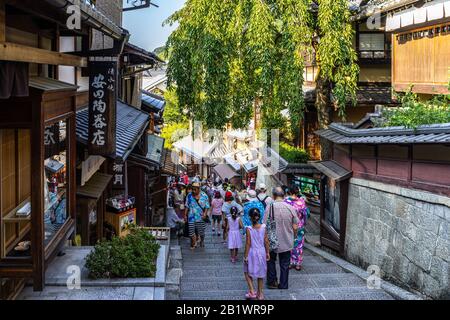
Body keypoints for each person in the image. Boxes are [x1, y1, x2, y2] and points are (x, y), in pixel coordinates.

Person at [263, 187, 298, 290]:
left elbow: (264, 225)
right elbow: (296, 226)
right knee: (285, 263)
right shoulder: (290, 208)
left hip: (272, 240)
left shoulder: (269, 207)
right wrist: (294, 236)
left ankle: (272, 282)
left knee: (271, 260)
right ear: (284, 195)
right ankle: (283, 285)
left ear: (273, 196)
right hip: (287, 240)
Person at [244, 208, 270, 300]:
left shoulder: (249, 229)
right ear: (259, 217)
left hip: (252, 252)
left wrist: (245, 256)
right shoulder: (264, 227)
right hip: (262, 252)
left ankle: (251, 291)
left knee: (247, 271)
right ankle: (260, 294)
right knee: (261, 273)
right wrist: (267, 252)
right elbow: (266, 241)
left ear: (250, 217)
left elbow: (248, 243)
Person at [285, 187, 310, 271]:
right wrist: (303, 222)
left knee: (289, 244)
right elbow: (305, 214)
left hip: (288, 226)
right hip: (299, 225)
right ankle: (298, 263)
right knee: (299, 245)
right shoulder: (301, 201)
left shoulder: (286, 201)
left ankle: (291, 262)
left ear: (289, 191)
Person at [184, 182, 210, 250]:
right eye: (193, 189)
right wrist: (185, 215)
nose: (193, 191)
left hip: (200, 217)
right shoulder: (189, 195)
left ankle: (202, 240)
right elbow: (186, 206)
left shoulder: (204, 195)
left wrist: (205, 214)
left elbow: (207, 206)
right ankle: (194, 243)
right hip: (191, 216)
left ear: (199, 189)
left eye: (195, 189)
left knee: (201, 232)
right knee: (191, 232)